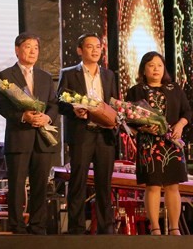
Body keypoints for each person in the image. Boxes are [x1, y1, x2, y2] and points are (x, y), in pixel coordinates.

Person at [0, 32, 58, 234]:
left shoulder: (45, 77)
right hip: (19, 138)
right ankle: (17, 225)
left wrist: (47, 118)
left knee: (40, 185)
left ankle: (38, 226)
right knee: (16, 184)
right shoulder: (5, 76)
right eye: (28, 47)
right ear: (17, 50)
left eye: (36, 48)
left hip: (42, 139)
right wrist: (24, 116)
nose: (32, 51)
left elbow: (54, 104)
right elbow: (3, 106)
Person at [57, 33, 117, 234]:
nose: (95, 50)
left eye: (98, 46)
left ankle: (106, 229)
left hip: (104, 134)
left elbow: (114, 103)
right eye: (90, 47)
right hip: (81, 133)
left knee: (104, 183)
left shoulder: (109, 75)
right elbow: (59, 102)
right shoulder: (69, 73)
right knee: (78, 181)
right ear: (80, 50)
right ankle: (76, 228)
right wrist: (73, 109)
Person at [125, 51, 190, 236]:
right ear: (143, 69)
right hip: (148, 144)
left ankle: (174, 228)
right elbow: (126, 118)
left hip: (172, 142)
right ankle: (155, 228)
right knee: (152, 185)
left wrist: (180, 124)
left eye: (159, 65)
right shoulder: (136, 90)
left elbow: (187, 112)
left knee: (173, 185)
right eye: (151, 65)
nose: (156, 69)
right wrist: (143, 129)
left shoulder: (174, 88)